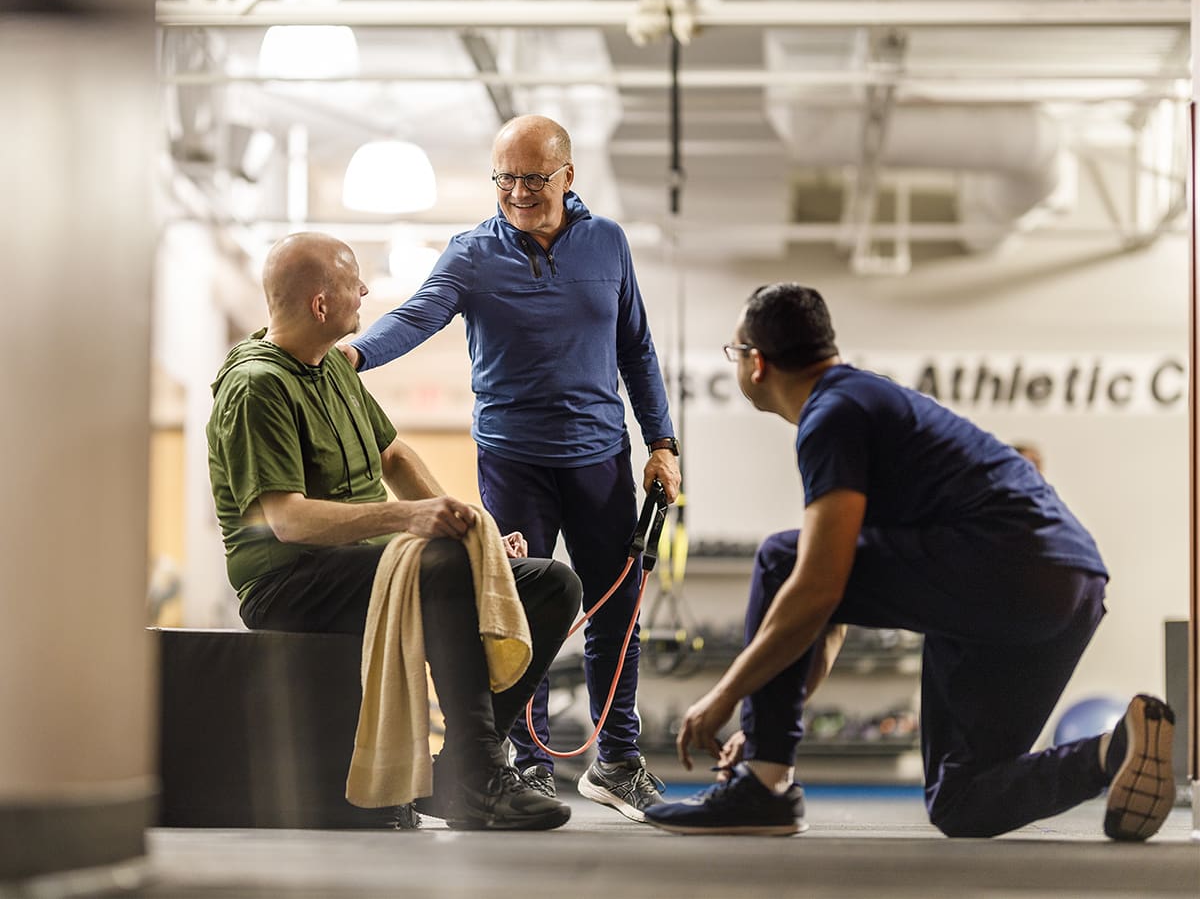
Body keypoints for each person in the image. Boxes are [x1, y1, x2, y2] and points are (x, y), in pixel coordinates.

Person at [644, 283, 1176, 840]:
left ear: (756, 363)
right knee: (961, 800)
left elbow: (816, 587)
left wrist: (725, 697)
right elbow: (831, 614)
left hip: (1005, 566)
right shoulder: (868, 402)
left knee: (782, 558)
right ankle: (1113, 752)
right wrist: (767, 721)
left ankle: (763, 789)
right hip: (1072, 585)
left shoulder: (833, 413)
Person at [340, 114, 681, 822]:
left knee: (616, 608)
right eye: (505, 177)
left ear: (567, 176)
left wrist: (662, 443)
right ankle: (525, 763)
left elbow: (637, 351)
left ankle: (616, 759)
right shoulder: (472, 252)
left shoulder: (607, 243)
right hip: (514, 458)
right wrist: (355, 355)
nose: (518, 192)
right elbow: (420, 314)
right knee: (518, 608)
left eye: (533, 177)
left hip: (599, 457)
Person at [206, 231, 583, 831]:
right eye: (352, 281)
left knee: (551, 584)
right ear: (320, 304)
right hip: (290, 581)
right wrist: (409, 520)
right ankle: (481, 777)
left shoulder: (330, 367)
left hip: (366, 564)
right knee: (440, 567)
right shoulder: (258, 386)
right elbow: (287, 520)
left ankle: (458, 761)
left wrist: (469, 528)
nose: (365, 289)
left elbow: (395, 456)